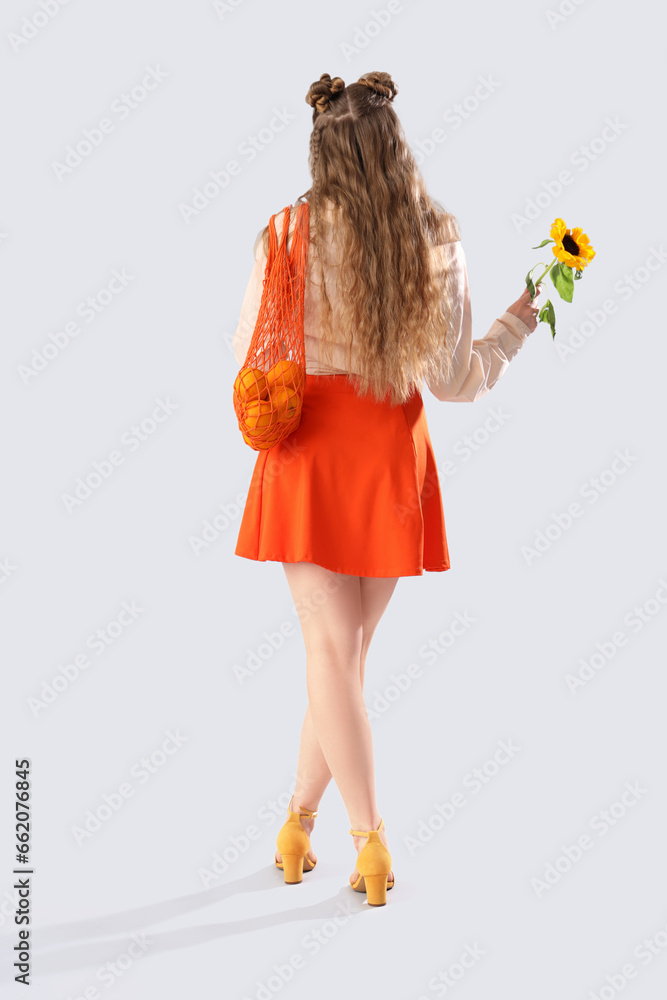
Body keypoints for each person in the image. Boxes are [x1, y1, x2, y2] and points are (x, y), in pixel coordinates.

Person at [232, 71, 543, 906]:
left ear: (319, 148)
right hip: (388, 453)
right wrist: (514, 327)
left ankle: (366, 842)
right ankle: (298, 822)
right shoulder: (436, 236)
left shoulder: (282, 232)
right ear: (395, 146)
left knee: (331, 656)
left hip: (307, 453)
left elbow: (247, 356)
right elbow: (453, 380)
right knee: (346, 658)